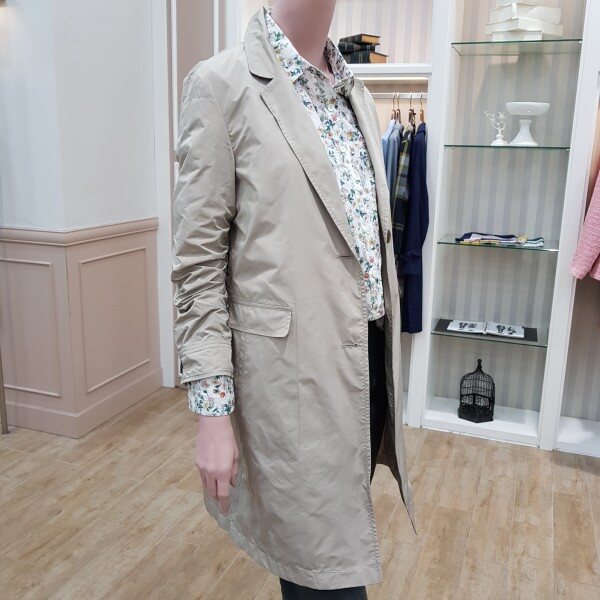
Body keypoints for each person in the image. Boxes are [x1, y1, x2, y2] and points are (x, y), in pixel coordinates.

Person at [171, 1, 416, 597]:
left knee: (329, 553)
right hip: (292, 384)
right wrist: (212, 413)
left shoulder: (355, 94)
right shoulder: (221, 86)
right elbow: (198, 266)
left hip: (366, 370)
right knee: (323, 574)